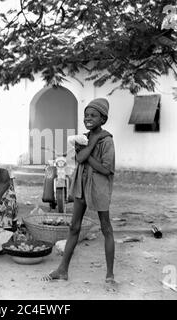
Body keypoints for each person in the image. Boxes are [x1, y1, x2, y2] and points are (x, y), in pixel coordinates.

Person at [42, 98, 116, 285]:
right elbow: (80, 157)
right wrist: (91, 145)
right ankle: (62, 270)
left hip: (99, 187)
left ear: (103, 119)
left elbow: (105, 169)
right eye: (86, 115)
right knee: (74, 227)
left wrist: (88, 151)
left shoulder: (107, 141)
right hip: (81, 186)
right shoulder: (82, 138)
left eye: (93, 115)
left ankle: (110, 275)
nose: (88, 118)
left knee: (106, 228)